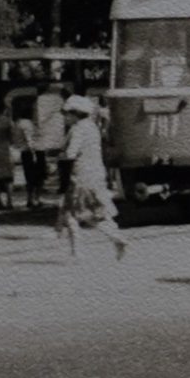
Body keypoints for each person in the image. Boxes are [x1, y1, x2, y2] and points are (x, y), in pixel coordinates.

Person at [56, 94, 126, 261]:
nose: (65, 117)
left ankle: (77, 254)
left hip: (80, 176)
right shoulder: (92, 127)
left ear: (75, 114)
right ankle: (115, 238)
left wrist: (59, 156)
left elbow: (71, 153)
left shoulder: (77, 129)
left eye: (67, 114)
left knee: (74, 214)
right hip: (96, 174)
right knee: (94, 213)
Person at [10, 101, 42, 209]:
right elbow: (29, 140)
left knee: (28, 177)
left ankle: (29, 199)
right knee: (37, 177)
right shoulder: (28, 124)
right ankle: (35, 199)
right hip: (31, 152)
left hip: (23, 152)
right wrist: (34, 154)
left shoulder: (17, 123)